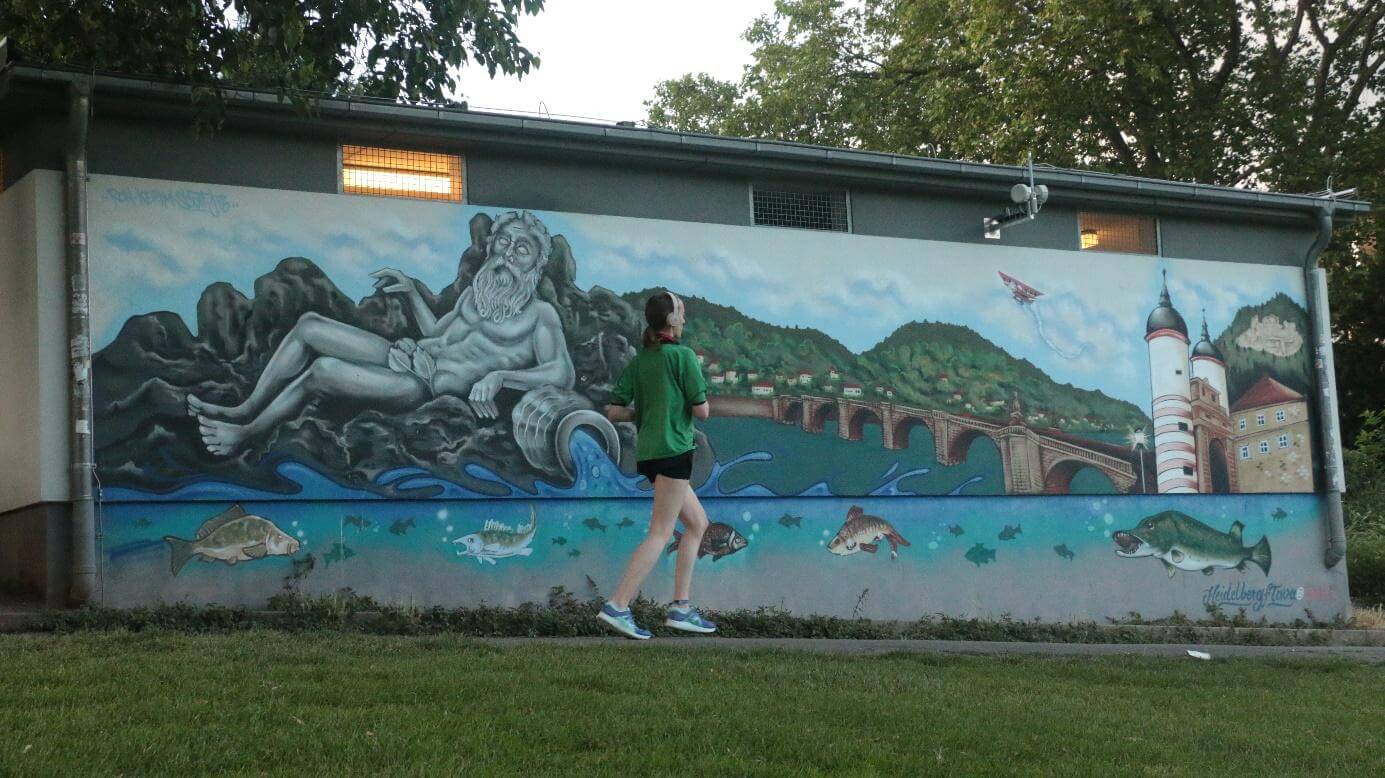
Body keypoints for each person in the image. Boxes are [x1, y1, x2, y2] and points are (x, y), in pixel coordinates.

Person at [187, 210, 574, 454]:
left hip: (426, 388)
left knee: (323, 372)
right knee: (309, 326)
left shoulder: (540, 315)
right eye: (503, 243)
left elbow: (562, 372)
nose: (506, 255)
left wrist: (500, 376)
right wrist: (410, 292)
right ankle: (245, 407)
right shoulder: (477, 294)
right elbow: (439, 333)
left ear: (536, 265)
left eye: (521, 250)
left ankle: (247, 433)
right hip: (407, 358)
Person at [596, 291, 715, 639]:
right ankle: (617, 605)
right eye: (683, 312)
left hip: (649, 454)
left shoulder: (640, 361)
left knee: (697, 523)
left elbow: (615, 411)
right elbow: (702, 411)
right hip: (675, 452)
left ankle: (681, 607)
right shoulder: (683, 357)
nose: (686, 318)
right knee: (661, 533)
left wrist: (645, 411)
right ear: (673, 320)